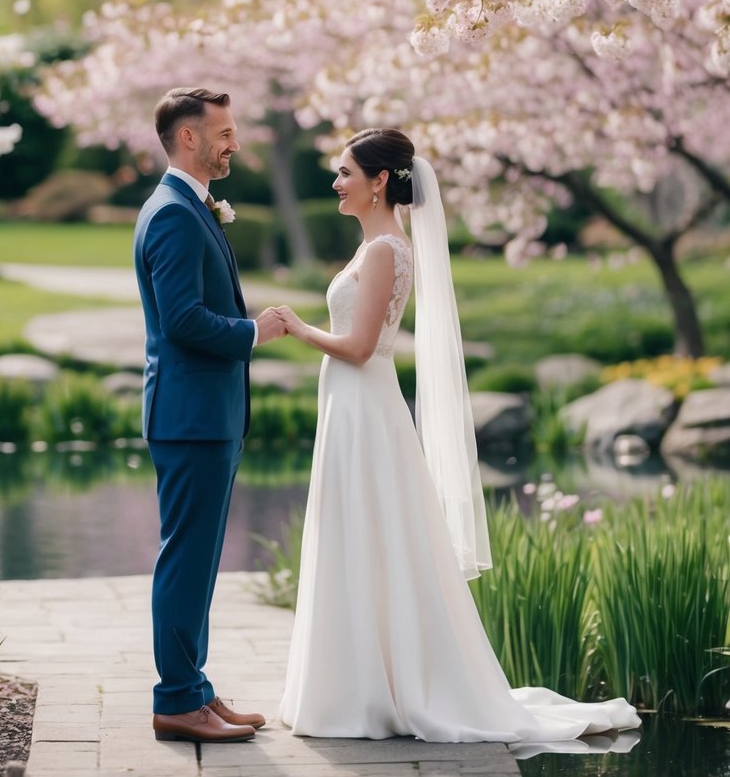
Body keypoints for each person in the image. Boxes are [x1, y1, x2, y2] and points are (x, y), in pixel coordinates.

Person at [275, 128, 641, 745]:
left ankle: (373, 691)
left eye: (344, 173)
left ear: (380, 181)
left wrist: (297, 327)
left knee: (369, 533)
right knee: (359, 534)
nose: (336, 184)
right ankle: (354, 684)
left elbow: (363, 349)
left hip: (364, 407)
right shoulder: (378, 247)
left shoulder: (387, 248)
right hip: (353, 409)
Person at [133, 87, 286, 744]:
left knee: (198, 560)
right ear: (188, 139)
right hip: (190, 415)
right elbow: (183, 321)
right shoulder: (170, 213)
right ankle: (175, 700)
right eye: (223, 132)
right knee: (186, 560)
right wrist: (254, 332)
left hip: (206, 413)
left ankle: (193, 687)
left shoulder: (190, 207)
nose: (234, 142)